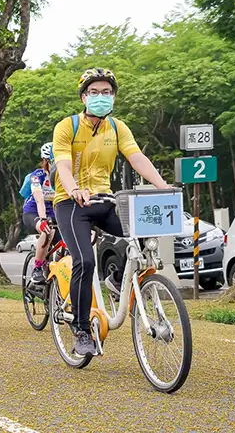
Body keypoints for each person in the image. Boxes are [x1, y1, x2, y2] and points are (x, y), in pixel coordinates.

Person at [53, 68, 169, 356]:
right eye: (94, 92)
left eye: (107, 92)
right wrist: (73, 189)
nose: (101, 97)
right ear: (83, 97)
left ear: (113, 97)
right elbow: (63, 166)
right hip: (71, 203)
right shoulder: (66, 126)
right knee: (84, 260)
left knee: (141, 236)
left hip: (105, 201)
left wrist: (162, 185)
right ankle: (81, 330)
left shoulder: (117, 128)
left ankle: (121, 282)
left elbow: (136, 157)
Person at [23, 143, 58, 284]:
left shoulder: (65, 176)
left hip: (55, 212)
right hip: (33, 212)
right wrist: (43, 219)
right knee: (47, 230)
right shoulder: (37, 176)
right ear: (45, 162)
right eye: (53, 162)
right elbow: (39, 200)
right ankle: (37, 269)